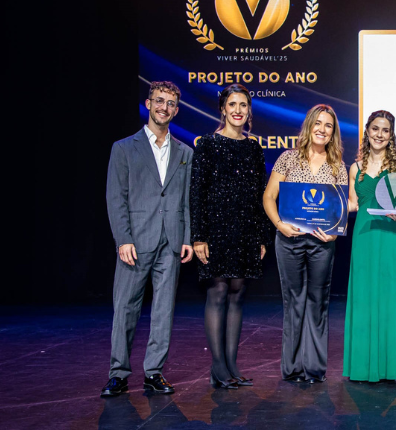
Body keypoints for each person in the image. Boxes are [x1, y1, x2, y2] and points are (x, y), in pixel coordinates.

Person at [102, 81, 194, 397]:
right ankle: (118, 374)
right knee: (125, 308)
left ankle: (154, 372)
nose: (164, 107)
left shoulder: (185, 152)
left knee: (163, 311)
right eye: (159, 101)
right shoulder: (124, 148)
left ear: (176, 110)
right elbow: (116, 197)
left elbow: (186, 200)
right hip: (136, 241)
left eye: (170, 103)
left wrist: (187, 237)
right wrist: (123, 239)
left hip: (171, 241)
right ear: (148, 103)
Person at [190, 84, 270, 389]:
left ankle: (232, 366)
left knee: (238, 292)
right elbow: (197, 193)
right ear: (223, 109)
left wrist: (261, 236)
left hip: (246, 230)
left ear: (249, 111)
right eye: (232, 104)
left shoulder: (254, 148)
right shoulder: (207, 144)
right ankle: (218, 367)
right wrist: (199, 237)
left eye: (243, 105)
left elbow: (260, 195)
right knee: (218, 291)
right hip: (215, 229)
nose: (238, 110)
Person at [262, 104, 349, 383]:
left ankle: (314, 368)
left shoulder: (338, 165)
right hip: (289, 241)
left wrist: (335, 233)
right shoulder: (288, 158)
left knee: (317, 301)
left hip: (322, 243)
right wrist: (279, 225)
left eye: (328, 125)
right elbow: (268, 197)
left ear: (333, 132)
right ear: (309, 126)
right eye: (318, 123)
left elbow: (341, 209)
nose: (322, 129)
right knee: (293, 301)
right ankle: (292, 368)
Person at [342, 110, 396, 382]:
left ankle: (387, 367)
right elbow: (353, 203)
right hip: (364, 238)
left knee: (389, 297)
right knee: (363, 297)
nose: (379, 135)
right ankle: (362, 366)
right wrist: (329, 204)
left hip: (392, 237)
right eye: (375, 128)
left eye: (385, 130)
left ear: (391, 135)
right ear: (367, 131)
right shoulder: (355, 168)